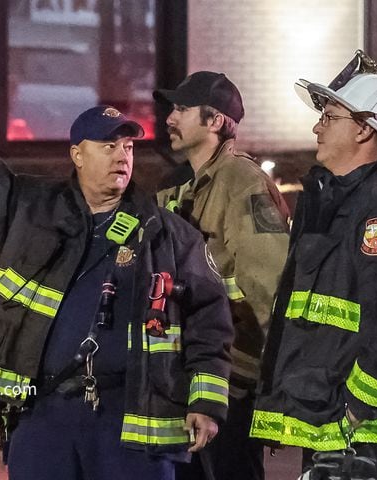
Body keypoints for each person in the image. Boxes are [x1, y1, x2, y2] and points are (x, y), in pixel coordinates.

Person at [0, 56, 234, 480]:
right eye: (108, 146)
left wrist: (205, 403)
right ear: (77, 154)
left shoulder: (168, 235)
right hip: (42, 414)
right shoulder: (29, 211)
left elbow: (210, 321)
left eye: (128, 147)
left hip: (132, 418)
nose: (122, 156)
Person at [249, 50, 377, 480]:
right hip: (332, 424)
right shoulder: (337, 203)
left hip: (366, 434)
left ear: (365, 130)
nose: (317, 126)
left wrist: (357, 408)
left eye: (330, 117)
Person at [154, 71, 290, 480]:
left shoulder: (241, 183)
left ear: (214, 121)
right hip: (189, 371)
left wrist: (278, 386)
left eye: (181, 109)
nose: (169, 118)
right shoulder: (180, 188)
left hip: (234, 377)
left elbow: (270, 285)